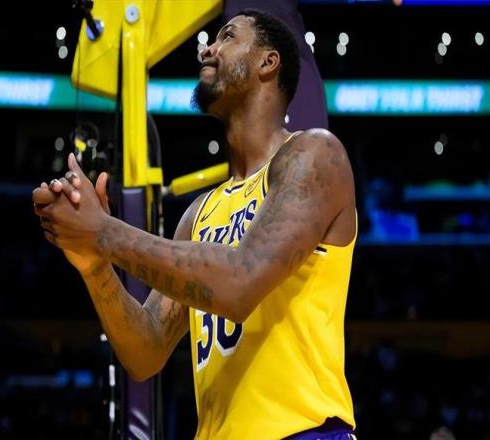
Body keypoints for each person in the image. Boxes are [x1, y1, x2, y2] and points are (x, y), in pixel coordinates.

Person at [33, 9, 357, 440]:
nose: (208, 49)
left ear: (268, 62)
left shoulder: (315, 155)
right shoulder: (199, 213)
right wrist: (94, 263)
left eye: (227, 37)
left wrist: (104, 232)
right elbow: (146, 352)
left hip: (305, 432)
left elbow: (239, 284)